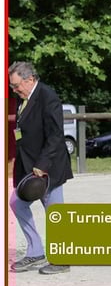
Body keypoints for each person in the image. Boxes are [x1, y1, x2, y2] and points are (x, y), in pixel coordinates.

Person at [8, 61, 73, 275]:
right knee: (16, 203)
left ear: (30, 79)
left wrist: (42, 164)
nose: (14, 90)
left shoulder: (48, 96)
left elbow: (55, 135)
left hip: (49, 166)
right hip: (29, 166)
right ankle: (36, 252)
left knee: (54, 212)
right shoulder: (24, 98)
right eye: (12, 86)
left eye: (16, 85)